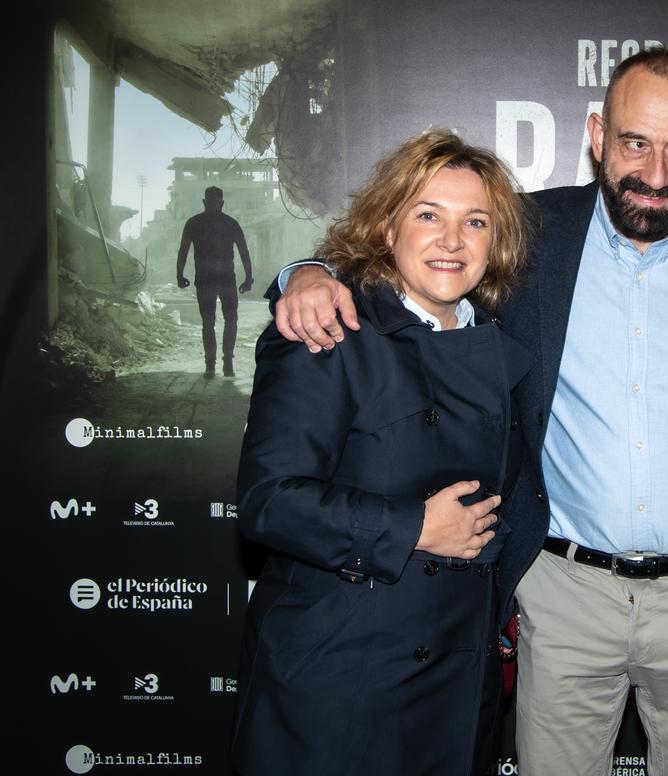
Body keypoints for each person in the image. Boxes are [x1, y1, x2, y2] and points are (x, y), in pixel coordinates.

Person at [273, 48, 668, 776]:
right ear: (597, 136)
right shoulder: (529, 235)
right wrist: (307, 273)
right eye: (635, 142)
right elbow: (416, 255)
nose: (655, 172)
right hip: (562, 597)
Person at [231, 130, 532, 776]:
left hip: (454, 696)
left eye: (474, 222)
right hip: (341, 689)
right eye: (429, 215)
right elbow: (268, 502)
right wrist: (414, 527)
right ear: (387, 225)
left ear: (494, 241)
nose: (451, 241)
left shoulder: (497, 346)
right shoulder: (329, 328)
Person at [176, 186, 254, 378]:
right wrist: (248, 277)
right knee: (228, 319)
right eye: (213, 202)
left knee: (210, 321)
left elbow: (183, 252)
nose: (213, 205)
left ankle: (213, 365)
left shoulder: (194, 223)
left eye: (213, 202)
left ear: (206, 202)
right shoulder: (230, 223)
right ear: (221, 203)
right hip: (224, 279)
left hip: (207, 279)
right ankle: (224, 363)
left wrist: (180, 275)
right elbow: (244, 252)